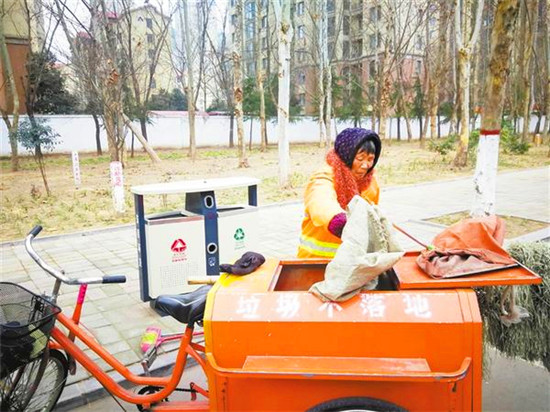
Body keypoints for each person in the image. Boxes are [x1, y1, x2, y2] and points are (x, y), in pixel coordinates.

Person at [297, 128, 382, 258]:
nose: (366, 165)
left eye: (371, 159)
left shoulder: (370, 183)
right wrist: (339, 222)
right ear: (347, 155)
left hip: (352, 259)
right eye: (360, 158)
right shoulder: (324, 177)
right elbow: (321, 203)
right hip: (317, 260)